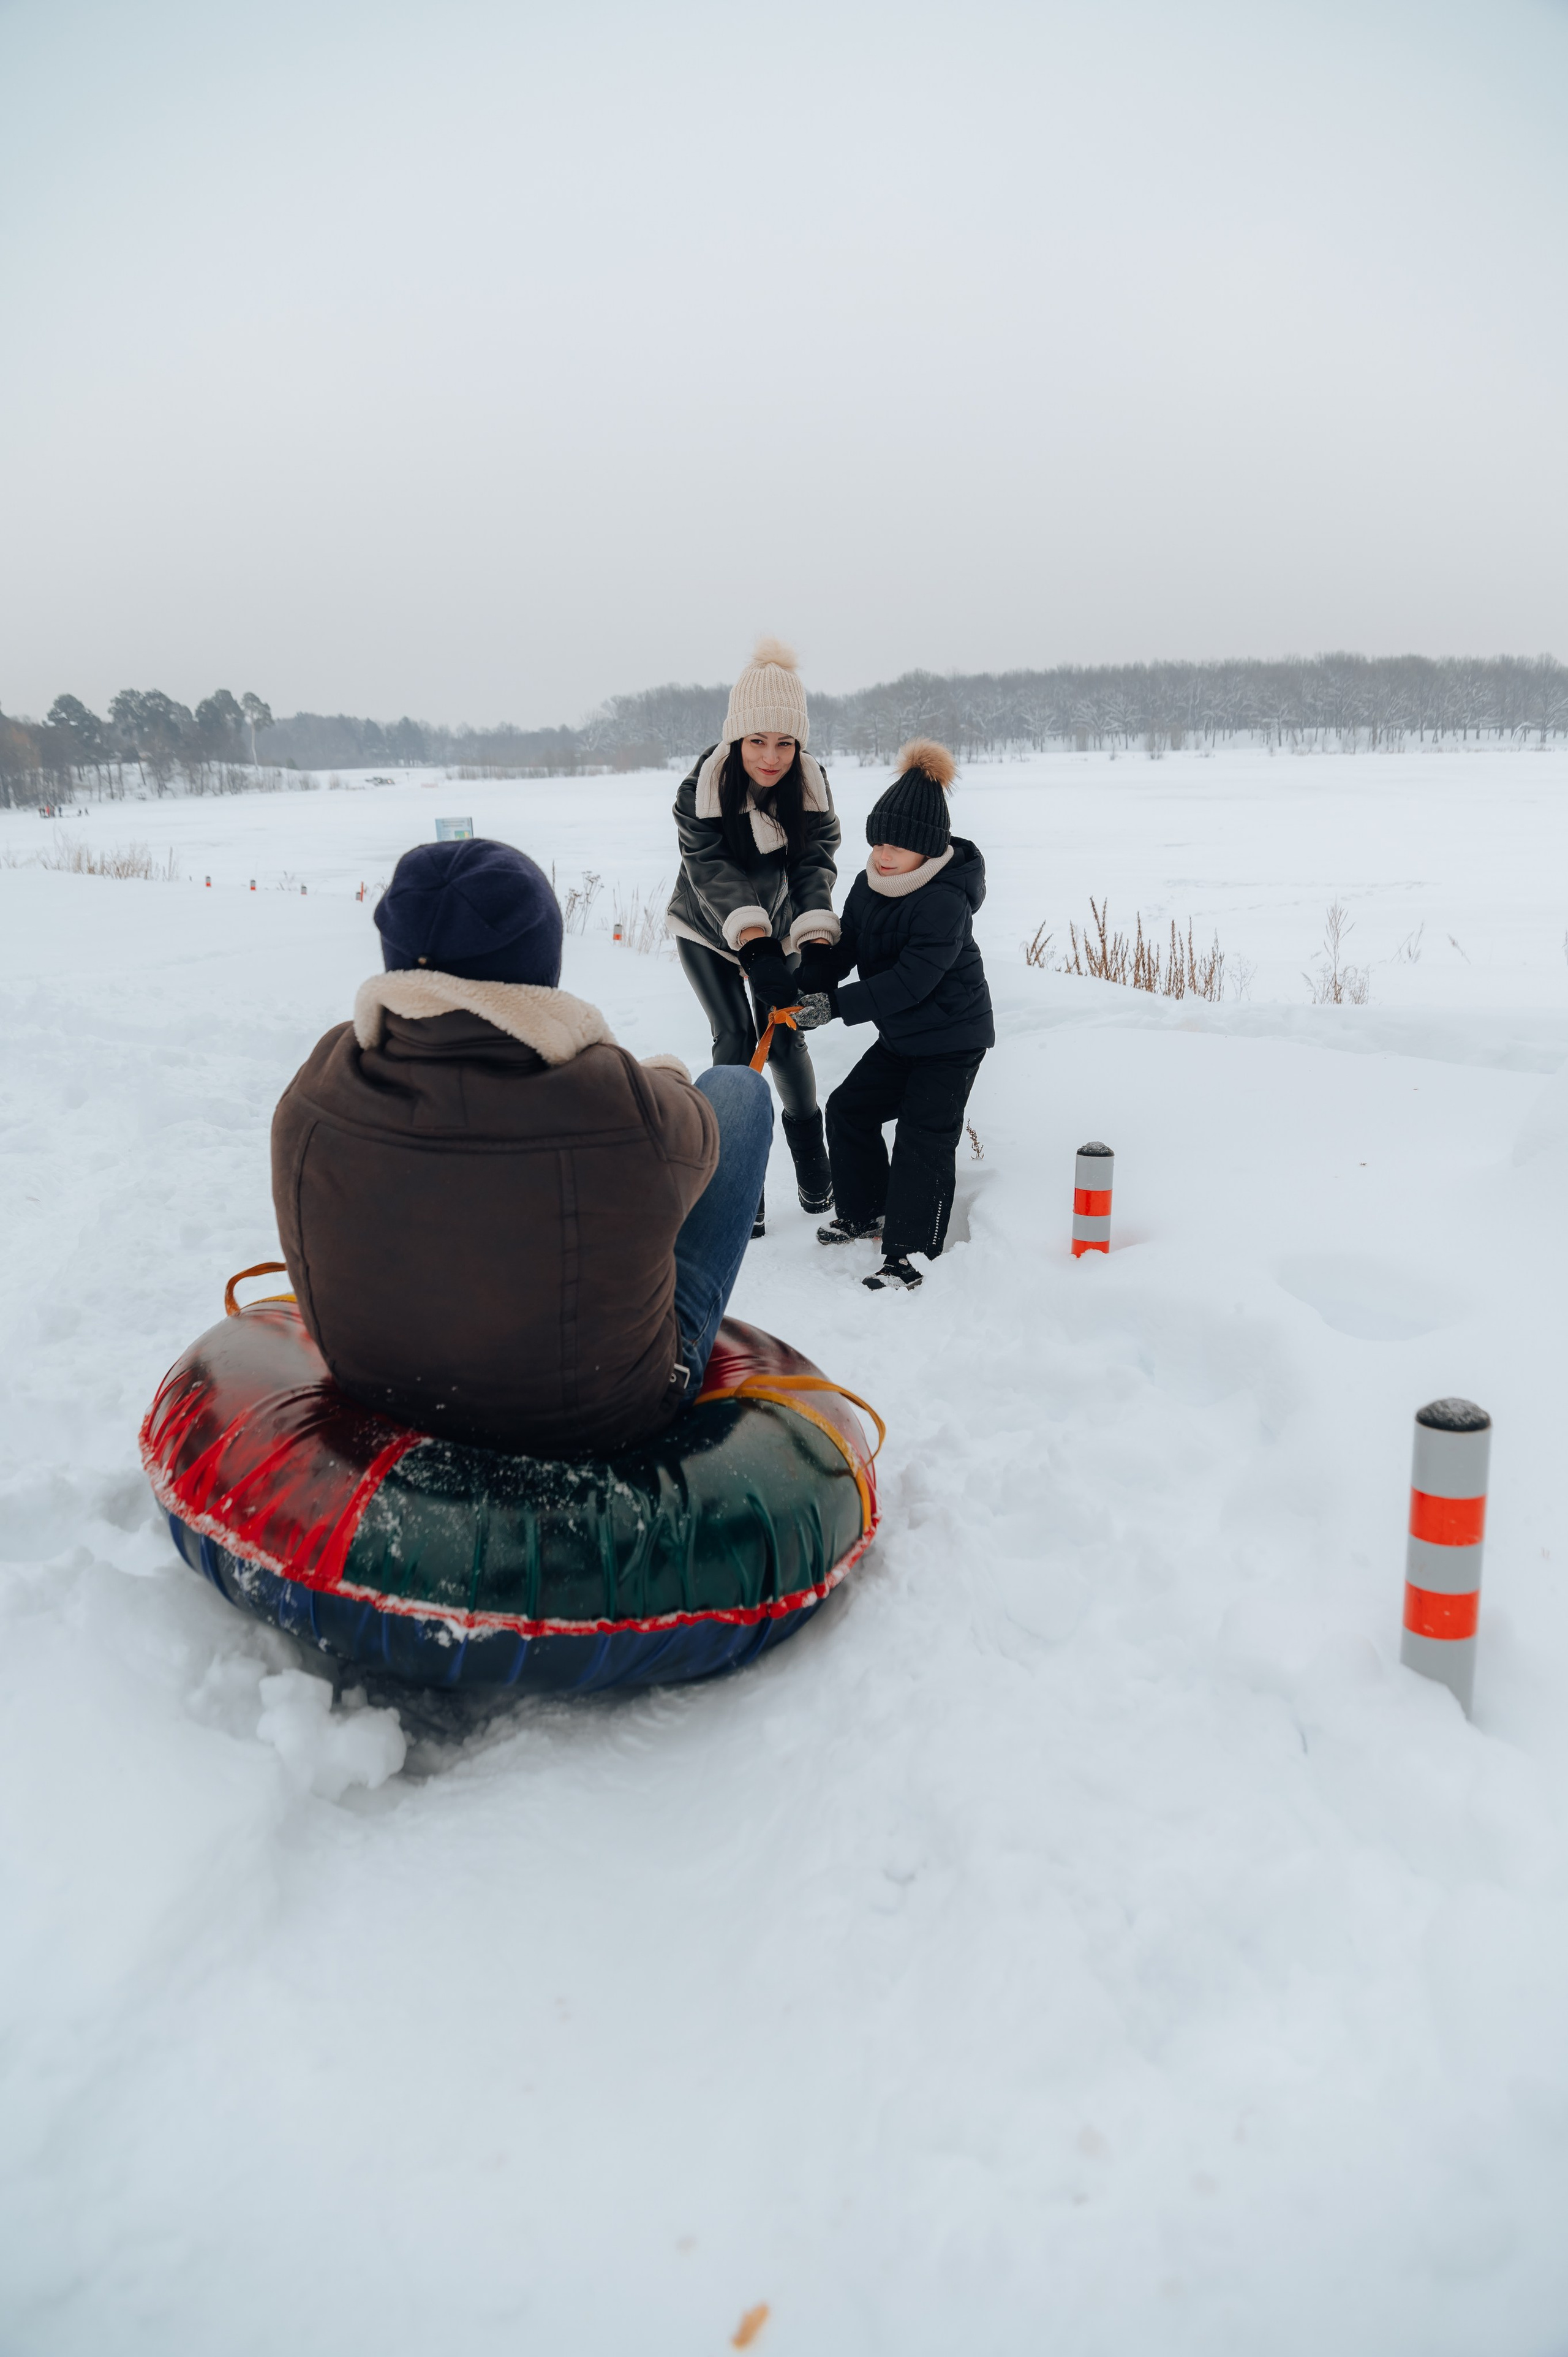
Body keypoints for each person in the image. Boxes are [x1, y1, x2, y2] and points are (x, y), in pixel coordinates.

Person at [271, 837, 772, 1456]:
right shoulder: (616, 1100)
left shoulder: (319, 1078)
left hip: (375, 1384)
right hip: (596, 1414)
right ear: (540, 961)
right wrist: (659, 1077)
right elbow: (700, 1141)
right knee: (736, 1090)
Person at [794, 741, 993, 1292]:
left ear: (927, 850)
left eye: (899, 846)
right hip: (905, 1037)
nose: (884, 854)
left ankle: (912, 1255)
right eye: (879, 840)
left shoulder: (944, 901)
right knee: (849, 1109)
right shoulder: (870, 884)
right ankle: (866, 1212)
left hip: (952, 1041)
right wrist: (811, 973)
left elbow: (912, 982)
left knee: (922, 1138)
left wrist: (834, 1008)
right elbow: (849, 947)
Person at [666, 638, 840, 1233]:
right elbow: (710, 868)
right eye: (757, 741)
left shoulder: (810, 787)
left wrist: (814, 944)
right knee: (737, 1036)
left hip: (782, 926)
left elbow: (813, 865)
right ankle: (738, 1180)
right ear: (736, 738)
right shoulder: (702, 789)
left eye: (785, 742)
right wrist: (753, 943)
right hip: (709, 925)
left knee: (786, 1038)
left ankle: (813, 1163)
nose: (771, 756)